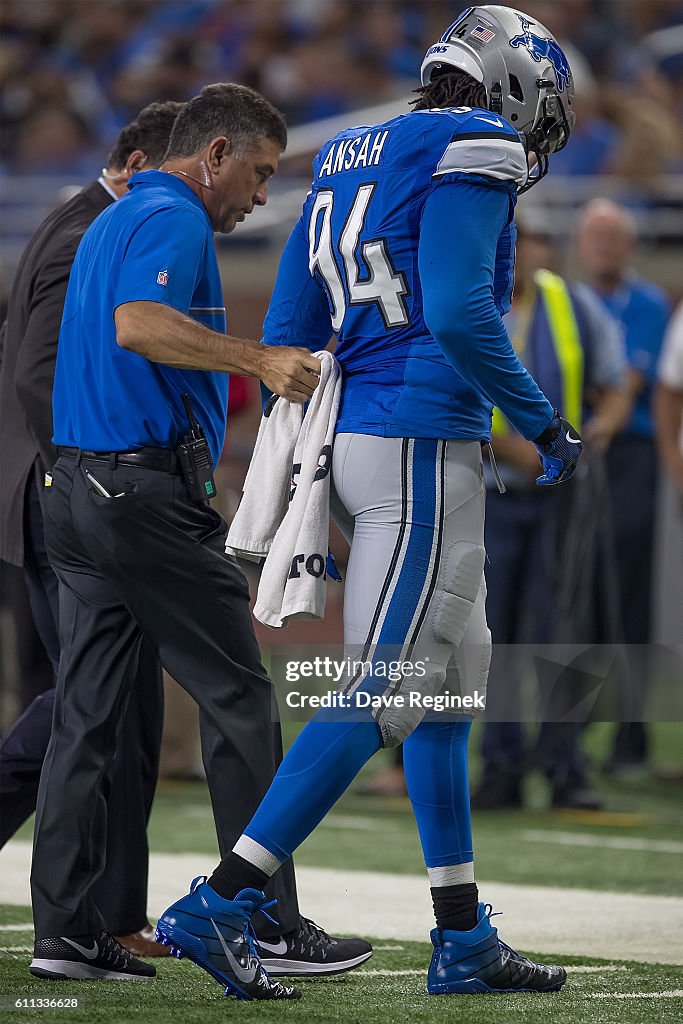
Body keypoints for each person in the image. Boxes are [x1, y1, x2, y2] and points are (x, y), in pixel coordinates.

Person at [157, 5, 582, 1001]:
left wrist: (333, 445)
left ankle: (460, 932)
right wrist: (539, 421)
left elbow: (296, 326)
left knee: (443, 695)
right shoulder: (474, 140)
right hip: (421, 443)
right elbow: (456, 306)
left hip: (362, 440)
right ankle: (221, 899)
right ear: (510, 85)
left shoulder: (350, 147)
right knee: (386, 688)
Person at [28, 83, 370, 989]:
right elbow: (138, 326)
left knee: (85, 719)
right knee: (240, 700)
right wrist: (256, 358)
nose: (260, 194)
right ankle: (262, 918)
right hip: (140, 496)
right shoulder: (174, 216)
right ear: (213, 154)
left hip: (77, 490)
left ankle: (64, 928)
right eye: (257, 172)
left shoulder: (113, 216)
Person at [0, 101, 184, 957]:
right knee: (91, 699)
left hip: (50, 495)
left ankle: (112, 915)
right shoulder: (91, 236)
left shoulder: (78, 221)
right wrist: (89, 473)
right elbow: (39, 369)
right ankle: (100, 916)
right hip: (64, 499)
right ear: (142, 159)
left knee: (118, 705)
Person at [471, 224, 629, 811]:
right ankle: (502, 769)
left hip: (561, 499)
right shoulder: (473, 304)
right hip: (492, 493)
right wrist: (519, 447)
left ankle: (566, 768)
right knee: (494, 639)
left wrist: (596, 432)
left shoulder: (572, 303)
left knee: (563, 634)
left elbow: (615, 385)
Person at [577, 199, 671, 774]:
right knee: (575, 597)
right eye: (596, 237)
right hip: (582, 453)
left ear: (630, 245)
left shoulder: (649, 304)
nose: (605, 246)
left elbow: (629, 380)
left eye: (614, 237)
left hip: (630, 456)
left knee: (629, 597)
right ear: (582, 245)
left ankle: (630, 742)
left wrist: (595, 405)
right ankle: (567, 744)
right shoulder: (572, 301)